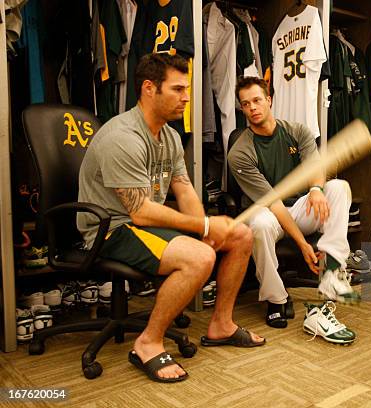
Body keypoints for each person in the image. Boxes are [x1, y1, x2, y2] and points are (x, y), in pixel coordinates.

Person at [77, 53, 264, 383]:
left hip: (146, 225)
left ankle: (221, 324)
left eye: (187, 88)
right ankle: (147, 342)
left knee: (240, 235)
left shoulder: (171, 137)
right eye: (178, 89)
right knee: (200, 258)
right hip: (113, 228)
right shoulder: (122, 137)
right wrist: (206, 227)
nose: (188, 97)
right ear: (149, 89)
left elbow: (184, 189)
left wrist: (208, 228)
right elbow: (140, 210)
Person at [228, 76, 357, 344]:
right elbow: (273, 204)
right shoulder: (240, 152)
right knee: (260, 224)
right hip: (268, 213)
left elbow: (315, 171)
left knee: (338, 187)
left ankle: (332, 271)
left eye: (257, 100)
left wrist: (316, 190)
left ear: (269, 100)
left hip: (300, 208)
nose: (252, 107)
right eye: (245, 104)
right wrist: (302, 245)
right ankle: (276, 299)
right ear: (242, 109)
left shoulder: (297, 131)